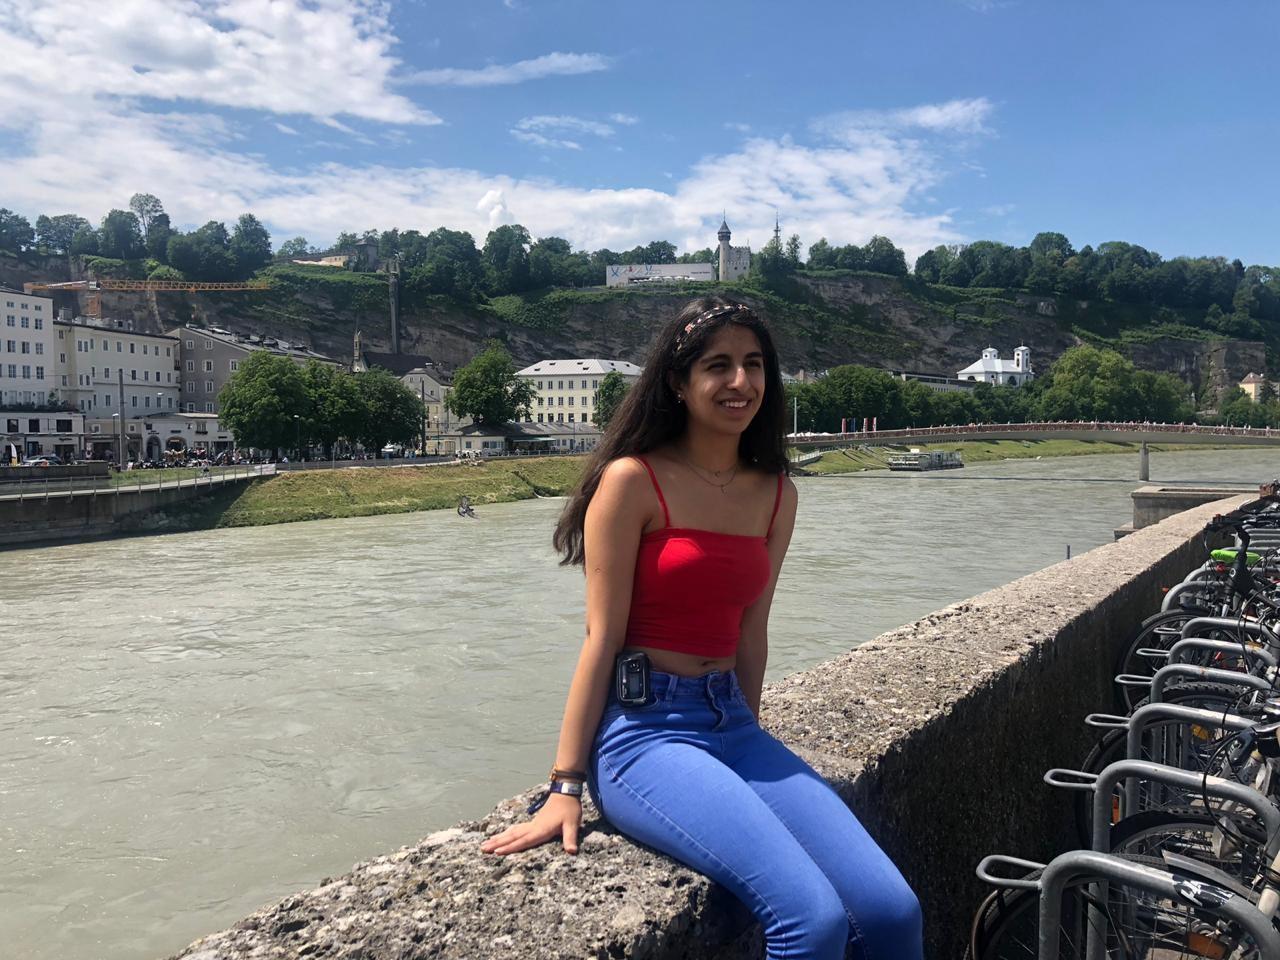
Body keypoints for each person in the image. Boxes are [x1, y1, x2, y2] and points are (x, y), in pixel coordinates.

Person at [480, 298, 922, 959]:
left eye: (753, 365)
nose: (740, 383)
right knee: (812, 920)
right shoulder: (633, 481)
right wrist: (565, 785)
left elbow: (752, 632)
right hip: (645, 738)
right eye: (718, 366)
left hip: (734, 727)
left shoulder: (775, 493)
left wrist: (749, 739)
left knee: (892, 912)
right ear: (678, 384)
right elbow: (601, 638)